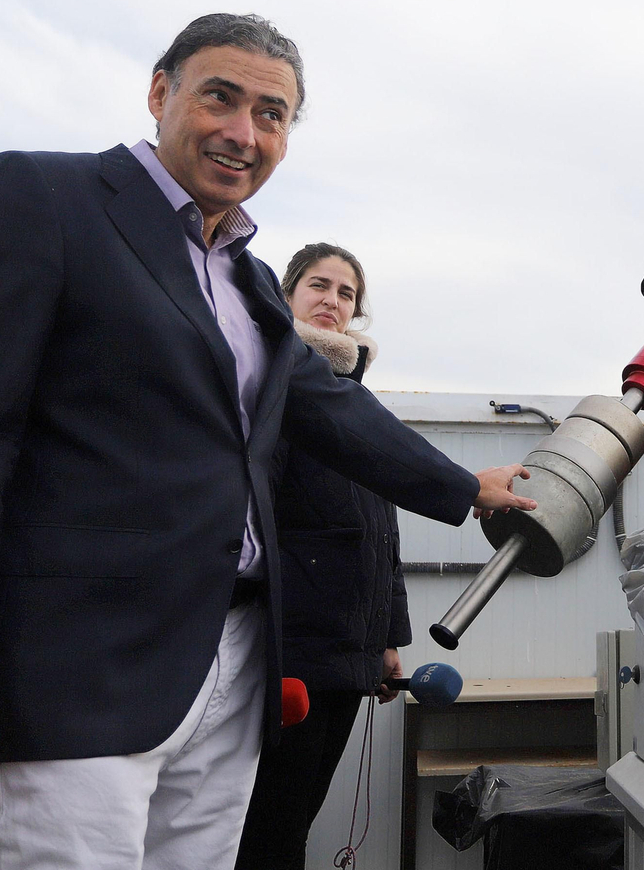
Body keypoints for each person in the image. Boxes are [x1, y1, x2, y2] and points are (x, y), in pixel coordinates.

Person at [0, 13, 536, 870]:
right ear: (160, 92)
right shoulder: (42, 199)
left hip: (236, 669)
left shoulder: (249, 277)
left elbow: (330, 408)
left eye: (272, 114)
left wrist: (465, 488)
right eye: (221, 97)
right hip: (83, 672)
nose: (242, 131)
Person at [234, 243, 407, 869]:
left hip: (348, 651)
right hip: (289, 650)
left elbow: (383, 535)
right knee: (269, 825)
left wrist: (387, 638)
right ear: (287, 294)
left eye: (346, 293)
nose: (331, 301)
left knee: (300, 816)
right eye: (318, 285)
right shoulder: (268, 384)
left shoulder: (359, 404)